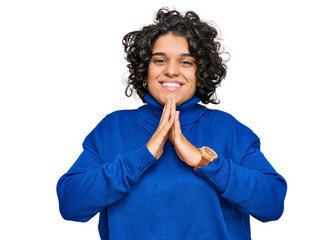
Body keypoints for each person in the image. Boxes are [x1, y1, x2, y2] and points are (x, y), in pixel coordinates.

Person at [57, 7, 287, 240]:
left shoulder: (229, 130)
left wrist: (202, 160)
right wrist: (142, 157)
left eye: (185, 62)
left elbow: (272, 203)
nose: (171, 70)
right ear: (145, 69)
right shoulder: (111, 129)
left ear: (200, 72)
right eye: (160, 60)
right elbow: (70, 203)